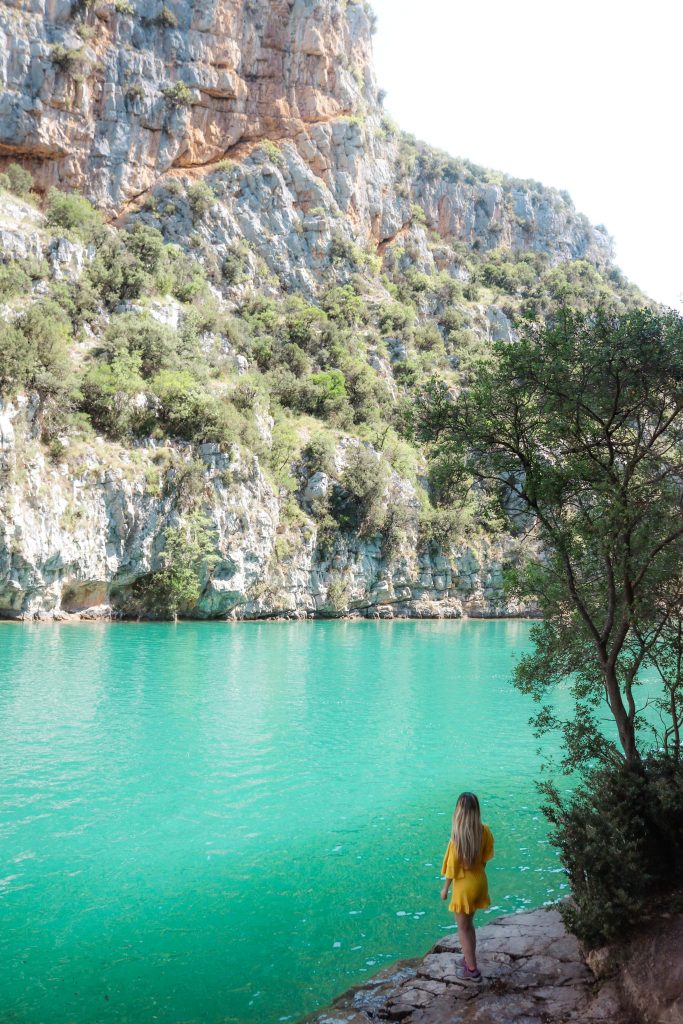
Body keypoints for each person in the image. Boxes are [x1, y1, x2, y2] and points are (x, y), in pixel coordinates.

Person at [440, 791, 494, 984]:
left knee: (462, 929)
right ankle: (468, 959)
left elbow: (451, 869)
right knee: (469, 925)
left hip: (463, 888)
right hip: (480, 882)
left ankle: (471, 970)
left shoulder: (457, 838)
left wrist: (445, 889)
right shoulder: (484, 830)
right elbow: (486, 858)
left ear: (459, 811)